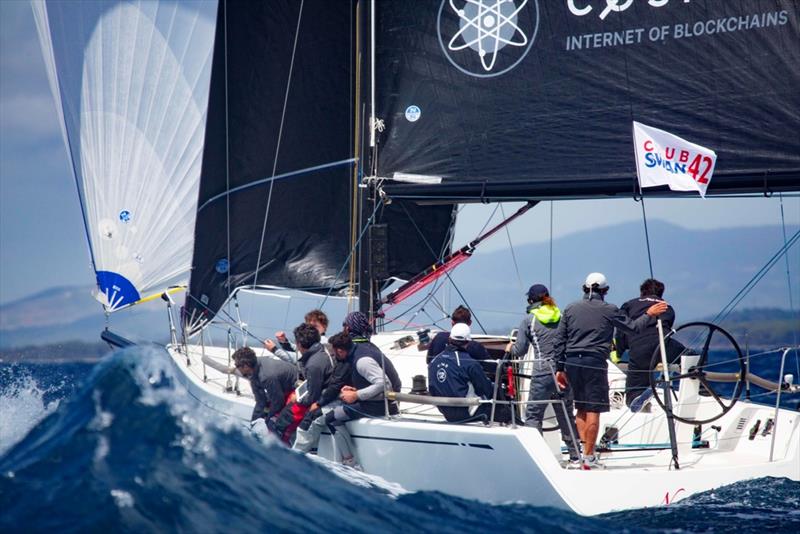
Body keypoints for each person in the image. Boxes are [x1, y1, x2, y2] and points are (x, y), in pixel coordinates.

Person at [555, 272, 668, 468]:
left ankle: (579, 457)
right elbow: (632, 328)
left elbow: (560, 340)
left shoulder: (570, 308)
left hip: (572, 362)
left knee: (580, 408)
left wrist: (559, 368)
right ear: (605, 290)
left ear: (584, 288)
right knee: (593, 410)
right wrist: (649, 314)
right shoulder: (609, 309)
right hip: (594, 362)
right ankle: (589, 458)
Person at [506, 284, 581, 465]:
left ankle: (537, 459)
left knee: (533, 415)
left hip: (542, 372)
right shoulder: (562, 317)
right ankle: (575, 455)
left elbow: (520, 350)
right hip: (563, 372)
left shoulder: (529, 320)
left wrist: (510, 347)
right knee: (565, 414)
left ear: (531, 301)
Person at [324, 312, 402, 467]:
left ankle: (350, 462)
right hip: (380, 400)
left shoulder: (362, 360)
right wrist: (353, 389)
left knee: (331, 418)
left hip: (381, 405)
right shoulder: (365, 348)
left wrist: (356, 395)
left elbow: (384, 383)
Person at [617, 278, 677, 408]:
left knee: (635, 389)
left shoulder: (628, 305)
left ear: (642, 292)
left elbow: (622, 329)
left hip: (639, 347)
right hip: (664, 344)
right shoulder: (668, 308)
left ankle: (635, 396)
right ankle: (702, 390)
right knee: (692, 357)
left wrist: (619, 352)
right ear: (661, 293)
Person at [270, 322, 333, 444]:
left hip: (322, 398)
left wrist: (298, 399)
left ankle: (281, 445)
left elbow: (313, 396)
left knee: (282, 421)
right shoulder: (323, 349)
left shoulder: (313, 364)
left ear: (299, 345)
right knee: (288, 400)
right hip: (324, 389)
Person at [293, 332, 355, 454]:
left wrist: (318, 403)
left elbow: (335, 386)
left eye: (333, 351)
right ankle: (349, 459)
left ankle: (295, 456)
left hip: (345, 399)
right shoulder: (347, 358)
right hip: (341, 397)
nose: (331, 354)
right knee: (332, 420)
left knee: (311, 419)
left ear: (341, 350)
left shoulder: (344, 363)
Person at [428, 323, 495, 423]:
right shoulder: (470, 363)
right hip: (468, 414)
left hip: (446, 413)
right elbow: (486, 390)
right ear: (468, 342)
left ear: (449, 339)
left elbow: (432, 388)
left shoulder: (433, 362)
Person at [231, 346, 298, 423]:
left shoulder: (266, 376)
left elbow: (278, 402)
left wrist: (268, 418)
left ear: (246, 366)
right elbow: (260, 399)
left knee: (273, 421)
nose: (236, 367)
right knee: (260, 411)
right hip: (278, 385)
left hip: (293, 387)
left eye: (237, 365)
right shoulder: (253, 367)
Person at [426, 305, 490, 365]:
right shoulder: (476, 347)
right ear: (470, 323)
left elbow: (429, 361)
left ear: (452, 323)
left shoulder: (439, 338)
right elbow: (489, 366)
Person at [265, 309, 330, 364]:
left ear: (324, 327)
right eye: (309, 325)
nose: (311, 329)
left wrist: (274, 350)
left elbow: (298, 358)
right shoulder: (312, 340)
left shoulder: (322, 343)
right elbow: (300, 349)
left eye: (315, 326)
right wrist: (284, 342)